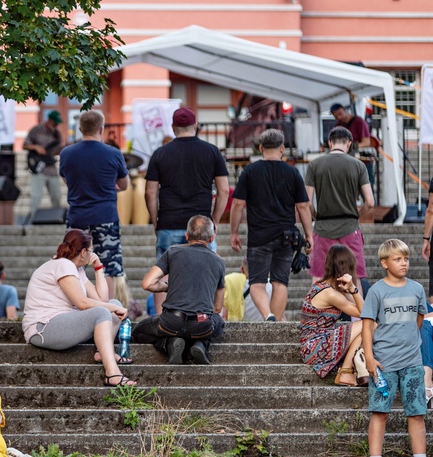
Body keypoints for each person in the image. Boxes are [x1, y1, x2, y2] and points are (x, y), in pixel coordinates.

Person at [22, 229, 136, 387]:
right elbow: (82, 303)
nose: (91, 254)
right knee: (105, 310)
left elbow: (101, 299)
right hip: (43, 327)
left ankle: (101, 353)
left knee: (114, 304)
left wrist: (98, 268)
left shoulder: (76, 270)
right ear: (83, 252)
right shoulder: (63, 265)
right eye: (90, 251)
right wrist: (110, 307)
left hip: (62, 323)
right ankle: (112, 374)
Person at [145, 107, 229, 313]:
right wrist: (215, 221)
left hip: (169, 223)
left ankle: (161, 321)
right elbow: (224, 190)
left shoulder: (160, 154)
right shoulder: (212, 151)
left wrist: (156, 220)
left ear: (174, 128)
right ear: (196, 126)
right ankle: (206, 320)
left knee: (163, 275)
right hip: (202, 226)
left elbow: (149, 193)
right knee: (208, 273)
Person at [360, 239, 430, 457]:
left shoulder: (416, 289)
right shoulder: (377, 291)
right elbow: (367, 327)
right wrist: (369, 357)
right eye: (398, 259)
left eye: (406, 258)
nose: (404, 263)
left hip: (412, 362)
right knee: (380, 412)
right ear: (384, 263)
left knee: (417, 413)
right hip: (384, 364)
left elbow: (419, 321)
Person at [229, 129, 313, 322]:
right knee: (280, 282)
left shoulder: (249, 172)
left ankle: (268, 316)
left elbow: (238, 204)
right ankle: (273, 324)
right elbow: (303, 206)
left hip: (259, 237)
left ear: (260, 148)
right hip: (286, 236)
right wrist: (309, 234)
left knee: (257, 283)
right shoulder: (292, 172)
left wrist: (234, 232)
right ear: (282, 148)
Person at [134, 215, 225, 365]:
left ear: (187, 235)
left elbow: (147, 284)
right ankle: (199, 345)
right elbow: (217, 307)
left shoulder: (172, 252)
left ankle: (170, 344)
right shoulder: (219, 262)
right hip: (201, 323)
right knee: (218, 322)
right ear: (212, 238)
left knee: (138, 331)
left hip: (171, 321)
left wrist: (168, 287)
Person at [59, 110, 129, 297]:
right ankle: (108, 311)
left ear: (80, 128)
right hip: (106, 216)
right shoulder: (113, 153)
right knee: (108, 267)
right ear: (102, 129)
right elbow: (124, 184)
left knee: (71, 263)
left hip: (77, 217)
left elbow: (67, 180)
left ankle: (75, 305)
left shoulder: (67, 153)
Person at [305, 126, 374, 287]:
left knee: (319, 276)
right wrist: (358, 215)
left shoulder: (314, 165)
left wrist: (316, 216)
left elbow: (307, 202)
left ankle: (317, 311)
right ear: (349, 143)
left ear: (330, 142)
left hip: (323, 228)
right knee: (354, 277)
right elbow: (370, 202)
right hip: (350, 227)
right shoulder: (358, 166)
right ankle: (356, 312)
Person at [298, 245, 365, 384]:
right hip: (315, 348)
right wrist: (353, 288)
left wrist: (349, 289)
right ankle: (345, 372)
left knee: (367, 328)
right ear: (348, 268)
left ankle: (347, 372)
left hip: (313, 346)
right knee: (368, 324)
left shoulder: (324, 287)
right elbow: (365, 313)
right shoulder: (330, 293)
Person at [23, 110, 64, 224]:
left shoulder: (57, 134)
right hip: (38, 168)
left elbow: (58, 150)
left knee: (56, 197)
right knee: (36, 197)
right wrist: (36, 147)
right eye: (55, 123)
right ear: (49, 120)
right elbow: (25, 145)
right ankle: (31, 222)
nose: (56, 125)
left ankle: (57, 221)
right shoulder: (36, 130)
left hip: (51, 168)